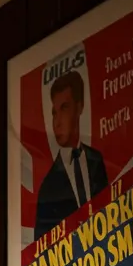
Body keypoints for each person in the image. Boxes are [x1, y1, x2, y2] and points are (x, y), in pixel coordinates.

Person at [34, 71, 108, 241]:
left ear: (79, 107)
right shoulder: (48, 188)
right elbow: (39, 257)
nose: (57, 122)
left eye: (64, 108)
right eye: (54, 113)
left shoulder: (96, 161)